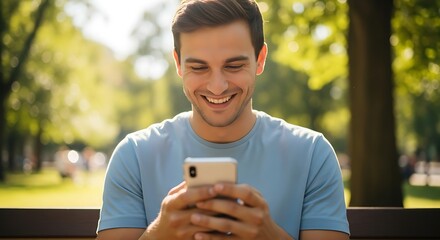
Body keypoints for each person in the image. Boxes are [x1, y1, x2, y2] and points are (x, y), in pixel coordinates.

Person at [97, 0, 350, 239]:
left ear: (260, 60)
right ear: (178, 64)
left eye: (234, 66)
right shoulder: (135, 155)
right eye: (199, 68)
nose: (217, 87)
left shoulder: (312, 155)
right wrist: (161, 233)